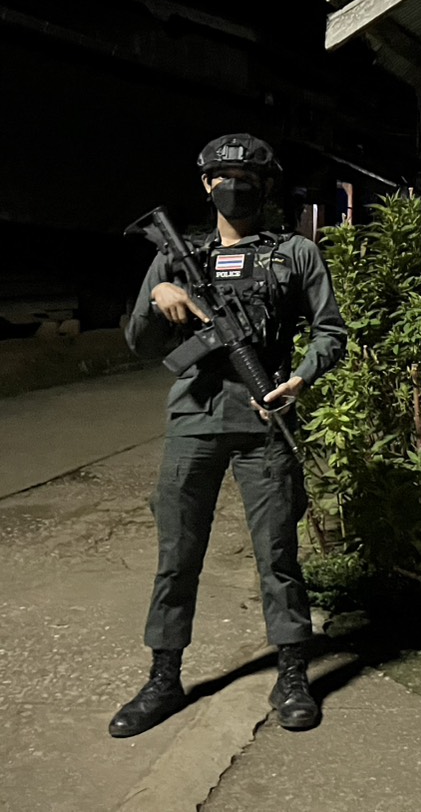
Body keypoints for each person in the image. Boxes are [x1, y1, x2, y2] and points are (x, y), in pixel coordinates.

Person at [110, 134, 347, 738]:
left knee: (278, 555)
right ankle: (164, 676)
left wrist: (300, 377)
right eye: (223, 178)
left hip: (266, 421)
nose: (234, 188)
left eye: (247, 178)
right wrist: (160, 293)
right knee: (177, 554)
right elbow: (141, 343)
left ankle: (292, 673)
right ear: (205, 185)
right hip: (194, 420)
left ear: (266, 187)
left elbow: (330, 332)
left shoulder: (295, 253)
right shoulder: (178, 254)